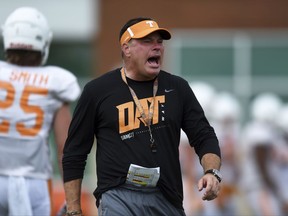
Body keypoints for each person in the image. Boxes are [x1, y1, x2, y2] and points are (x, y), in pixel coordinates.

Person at [62, 17, 222, 216]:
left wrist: (211, 172)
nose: (156, 47)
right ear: (126, 48)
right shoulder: (97, 91)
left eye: (160, 42)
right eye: (147, 41)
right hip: (118, 194)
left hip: (166, 195)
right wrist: (74, 209)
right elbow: (74, 153)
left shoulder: (177, 87)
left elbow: (204, 135)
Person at [0, 7, 81, 216]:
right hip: (33, 183)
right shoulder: (56, 80)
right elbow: (66, 147)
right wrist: (72, 199)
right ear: (43, 42)